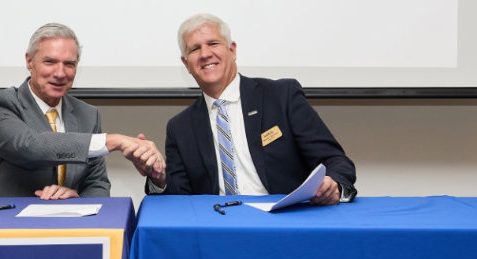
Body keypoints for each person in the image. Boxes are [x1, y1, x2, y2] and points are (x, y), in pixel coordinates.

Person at [149, 14, 356, 205]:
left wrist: (334, 184)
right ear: (186, 64)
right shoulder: (180, 128)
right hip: (218, 227)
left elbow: (334, 160)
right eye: (194, 49)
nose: (205, 54)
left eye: (213, 43)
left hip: (285, 221)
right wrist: (159, 177)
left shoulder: (281, 96)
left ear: (232, 50)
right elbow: (179, 201)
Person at [0, 23, 164, 199]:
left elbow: (97, 184)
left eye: (69, 64)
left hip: (70, 227)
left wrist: (78, 200)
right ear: (29, 61)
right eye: (50, 62)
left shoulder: (88, 114)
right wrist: (115, 141)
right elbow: (29, 146)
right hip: (8, 224)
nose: (60, 73)